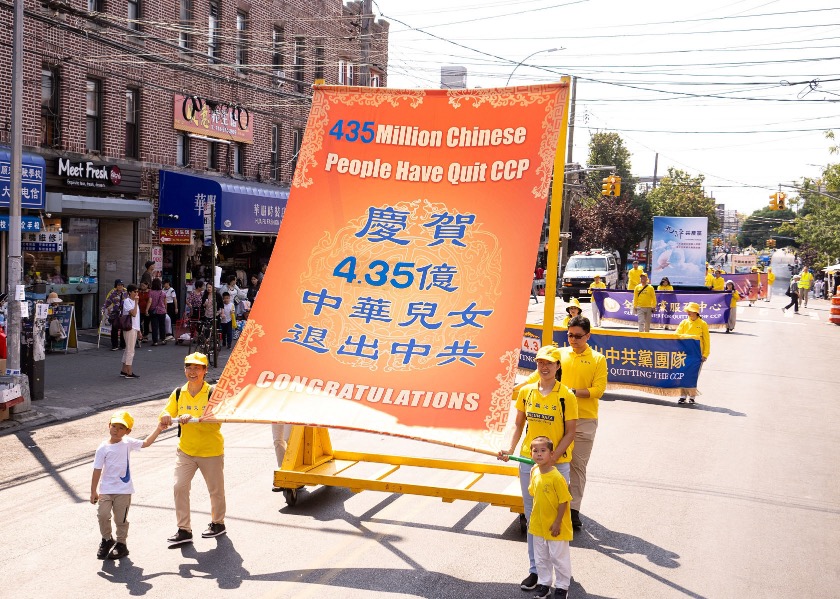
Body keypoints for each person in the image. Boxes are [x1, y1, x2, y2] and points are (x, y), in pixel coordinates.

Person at [498, 344, 577, 592]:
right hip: (529, 463)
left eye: (549, 363)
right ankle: (537, 572)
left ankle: (562, 577)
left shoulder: (567, 396)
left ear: (558, 366)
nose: (544, 367)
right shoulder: (527, 392)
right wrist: (510, 449)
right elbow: (518, 425)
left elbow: (571, 431)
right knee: (533, 517)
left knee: (557, 518)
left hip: (558, 465)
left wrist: (553, 457)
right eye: (540, 362)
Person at [159, 352, 227, 546]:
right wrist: (165, 416)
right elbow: (166, 411)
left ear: (205, 371)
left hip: (210, 451)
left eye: (197, 368)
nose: (192, 371)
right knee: (179, 487)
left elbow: (217, 423)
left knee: (215, 491)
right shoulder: (179, 393)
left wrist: (193, 418)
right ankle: (184, 529)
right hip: (186, 451)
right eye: (189, 367)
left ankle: (218, 523)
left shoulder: (213, 393)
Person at [91, 411, 165, 560]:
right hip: (106, 490)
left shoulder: (128, 443)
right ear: (109, 426)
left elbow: (146, 443)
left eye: (121, 428)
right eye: (114, 426)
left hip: (123, 491)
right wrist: (93, 491)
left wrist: (159, 429)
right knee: (102, 515)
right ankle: (106, 539)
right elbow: (97, 469)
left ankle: (121, 544)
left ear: (128, 431)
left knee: (121, 520)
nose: (116, 430)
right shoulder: (102, 448)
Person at [562, 315, 607, 530]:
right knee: (550, 462)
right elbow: (539, 377)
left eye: (578, 336)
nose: (573, 340)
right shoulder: (559, 355)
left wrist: (571, 393)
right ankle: (552, 504)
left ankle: (573, 509)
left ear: (588, 336)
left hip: (584, 420)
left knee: (577, 466)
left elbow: (598, 390)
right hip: (557, 418)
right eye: (570, 335)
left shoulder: (598, 359)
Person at [527, 436, 573, 599]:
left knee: (558, 557)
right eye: (535, 451)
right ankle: (544, 583)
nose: (539, 454)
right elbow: (534, 493)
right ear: (531, 453)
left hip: (555, 526)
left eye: (543, 450)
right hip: (538, 524)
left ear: (552, 454)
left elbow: (564, 501)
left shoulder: (557, 477)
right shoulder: (534, 471)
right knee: (541, 557)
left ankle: (562, 586)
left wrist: (557, 522)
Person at [675, 302, 709, 404]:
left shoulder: (703, 324)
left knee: (693, 375)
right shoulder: (684, 322)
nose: (688, 312)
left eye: (691, 311)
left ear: (696, 312)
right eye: (688, 311)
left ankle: (692, 396)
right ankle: (682, 396)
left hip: (697, 354)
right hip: (684, 353)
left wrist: (705, 354)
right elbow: (676, 335)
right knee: (683, 374)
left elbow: (707, 340)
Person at [120, 285, 141, 379]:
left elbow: (137, 318)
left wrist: (139, 330)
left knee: (128, 349)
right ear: (129, 292)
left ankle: (124, 370)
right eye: (134, 291)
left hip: (134, 327)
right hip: (129, 327)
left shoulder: (133, 302)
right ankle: (129, 371)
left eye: (137, 291)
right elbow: (133, 313)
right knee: (130, 350)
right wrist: (136, 302)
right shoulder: (127, 301)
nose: (136, 293)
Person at [104, 280, 127, 351]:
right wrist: (104, 309)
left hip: (124, 313)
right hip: (115, 313)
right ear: (116, 286)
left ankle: (123, 345)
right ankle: (114, 345)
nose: (120, 286)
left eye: (121, 285)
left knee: (123, 329)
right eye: (118, 285)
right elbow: (107, 302)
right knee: (114, 329)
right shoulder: (113, 294)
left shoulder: (126, 293)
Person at [147, 278, 167, 346]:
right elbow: (165, 303)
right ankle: (163, 339)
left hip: (153, 311)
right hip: (162, 311)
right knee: (162, 325)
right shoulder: (163, 292)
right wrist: (165, 310)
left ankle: (155, 341)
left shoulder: (151, 292)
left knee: (154, 326)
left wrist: (147, 310)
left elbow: (150, 301)